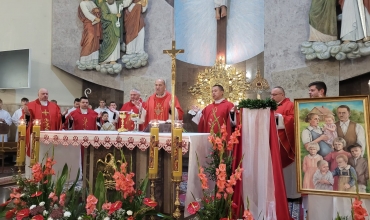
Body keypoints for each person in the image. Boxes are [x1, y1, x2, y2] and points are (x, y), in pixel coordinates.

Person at [270, 86, 300, 199]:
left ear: (282, 95)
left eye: (275, 95)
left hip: (285, 141)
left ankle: (290, 194)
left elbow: (293, 119)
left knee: (288, 170)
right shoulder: (271, 106)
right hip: (274, 140)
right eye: (271, 94)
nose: (272, 97)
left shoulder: (290, 105)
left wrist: (280, 118)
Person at [22, 88, 62, 156]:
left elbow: (58, 119)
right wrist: (28, 115)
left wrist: (62, 116)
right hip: (36, 136)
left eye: (46, 94)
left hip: (51, 136)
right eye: (43, 94)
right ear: (38, 94)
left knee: (50, 154)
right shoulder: (30, 105)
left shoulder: (54, 106)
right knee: (38, 154)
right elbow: (24, 121)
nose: (45, 95)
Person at [78, 0, 101, 68]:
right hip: (89, 24)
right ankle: (84, 60)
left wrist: (97, 11)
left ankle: (93, 60)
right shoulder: (82, 3)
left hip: (95, 24)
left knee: (95, 40)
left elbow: (97, 10)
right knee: (89, 38)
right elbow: (86, 13)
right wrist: (95, 18)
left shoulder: (91, 2)